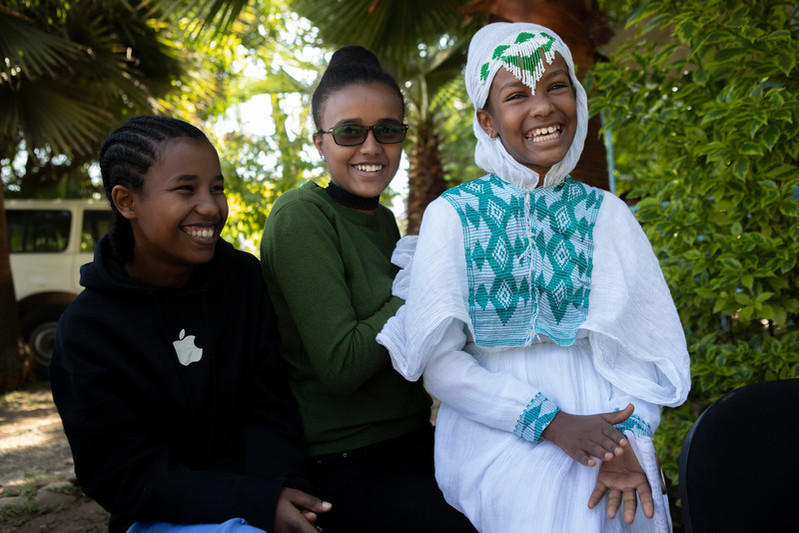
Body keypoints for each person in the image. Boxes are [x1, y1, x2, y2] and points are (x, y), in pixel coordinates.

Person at [377, 23, 691, 533]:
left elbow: (643, 354)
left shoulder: (606, 214)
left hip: (616, 434)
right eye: (517, 94)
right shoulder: (452, 216)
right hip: (498, 433)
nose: (542, 106)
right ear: (488, 119)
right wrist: (551, 424)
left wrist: (624, 443)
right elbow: (440, 366)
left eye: (557, 86)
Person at [49, 115, 331, 533]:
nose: (211, 206)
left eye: (217, 188)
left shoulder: (243, 281)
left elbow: (271, 406)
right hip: (163, 516)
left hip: (269, 494)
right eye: (186, 189)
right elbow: (124, 474)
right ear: (127, 201)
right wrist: (253, 503)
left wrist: (282, 494)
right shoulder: (86, 331)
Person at [259, 46, 476, 533]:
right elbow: (342, 363)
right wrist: (426, 283)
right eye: (350, 132)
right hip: (347, 460)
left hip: (417, 440)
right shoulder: (301, 216)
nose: (371, 147)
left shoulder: (382, 220)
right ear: (319, 141)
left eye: (389, 130)